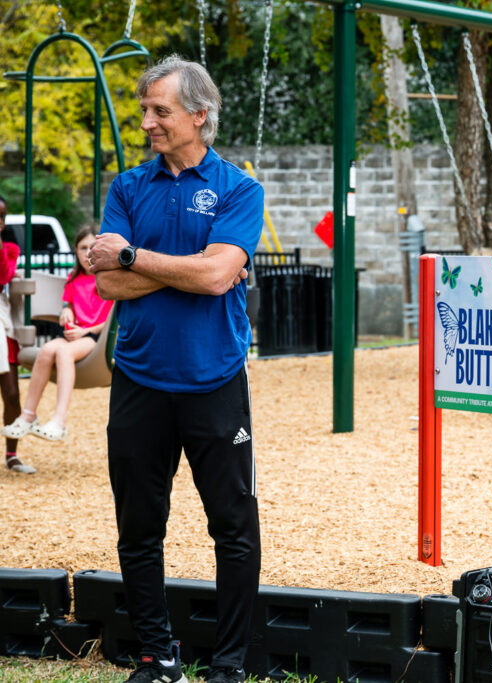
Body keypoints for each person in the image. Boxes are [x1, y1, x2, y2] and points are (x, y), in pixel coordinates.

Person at [87, 55, 262, 683]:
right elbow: (107, 284)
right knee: (138, 530)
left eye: (160, 111)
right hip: (138, 379)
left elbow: (217, 278)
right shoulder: (128, 186)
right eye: (144, 111)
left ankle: (230, 665)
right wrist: (191, 266)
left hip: (215, 380)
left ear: (198, 115)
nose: (147, 123)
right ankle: (158, 658)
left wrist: (138, 257)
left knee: (233, 529)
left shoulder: (240, 188)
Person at [2, 224, 113, 443]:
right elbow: (68, 303)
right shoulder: (74, 280)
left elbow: (111, 320)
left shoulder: (108, 280)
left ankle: (59, 421)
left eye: (92, 247)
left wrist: (86, 331)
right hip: (73, 335)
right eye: (82, 248)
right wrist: (66, 311)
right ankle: (28, 416)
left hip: (95, 339)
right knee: (47, 350)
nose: (87, 253)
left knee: (63, 354)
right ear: (76, 251)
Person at [0, 194, 33, 474]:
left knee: (11, 392)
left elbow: (2, 275)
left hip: (2, 320)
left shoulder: (9, 248)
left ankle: (12, 454)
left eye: (2, 217)